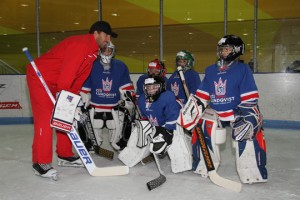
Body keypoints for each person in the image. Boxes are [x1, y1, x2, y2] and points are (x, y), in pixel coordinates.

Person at [26, 21, 118, 179]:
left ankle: (64, 154)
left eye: (110, 36)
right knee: (46, 118)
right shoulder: (80, 45)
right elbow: (67, 76)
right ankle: (39, 162)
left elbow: (79, 78)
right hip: (41, 78)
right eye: (106, 35)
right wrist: (65, 98)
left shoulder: (93, 52)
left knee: (65, 116)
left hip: (57, 80)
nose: (108, 39)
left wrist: (72, 102)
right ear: (96, 33)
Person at [178, 34, 267, 184]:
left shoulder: (243, 69)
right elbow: (201, 96)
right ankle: (204, 166)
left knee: (246, 128)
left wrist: (248, 116)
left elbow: (249, 98)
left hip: (237, 111)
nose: (223, 52)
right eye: (221, 49)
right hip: (216, 112)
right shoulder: (211, 70)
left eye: (226, 49)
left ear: (237, 50)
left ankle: (252, 172)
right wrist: (191, 111)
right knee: (202, 125)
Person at [118, 75, 193, 173]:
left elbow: (173, 116)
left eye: (154, 87)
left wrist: (166, 131)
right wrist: (144, 127)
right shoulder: (141, 99)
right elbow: (144, 117)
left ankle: (182, 163)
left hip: (172, 123)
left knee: (175, 140)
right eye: (149, 87)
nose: (151, 90)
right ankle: (129, 157)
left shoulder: (168, 96)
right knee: (138, 132)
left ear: (161, 87)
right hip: (154, 124)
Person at [80, 41, 135, 151]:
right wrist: (83, 98)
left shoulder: (120, 66)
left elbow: (126, 87)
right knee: (95, 133)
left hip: (114, 107)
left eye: (109, 50)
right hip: (95, 107)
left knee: (116, 134)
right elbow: (85, 87)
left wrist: (128, 100)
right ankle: (92, 145)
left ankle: (120, 146)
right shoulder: (91, 65)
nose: (107, 53)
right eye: (104, 50)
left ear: (113, 52)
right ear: (100, 51)